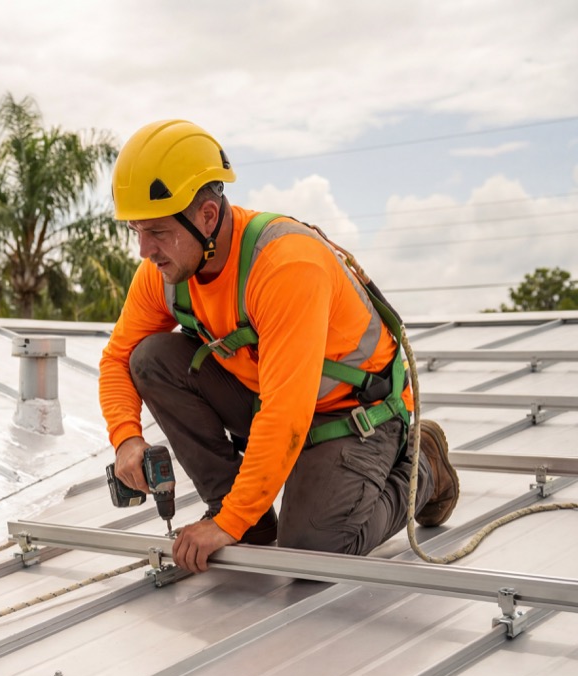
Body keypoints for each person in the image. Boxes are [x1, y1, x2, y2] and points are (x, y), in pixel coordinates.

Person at [99, 120, 460, 574]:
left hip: (353, 416)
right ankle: (247, 520)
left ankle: (424, 464)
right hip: (272, 402)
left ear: (208, 216)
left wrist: (224, 525)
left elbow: (286, 412)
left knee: (311, 553)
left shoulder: (286, 265)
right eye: (136, 231)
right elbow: (117, 359)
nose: (144, 250)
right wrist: (126, 439)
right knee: (150, 358)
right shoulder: (165, 272)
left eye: (156, 232)